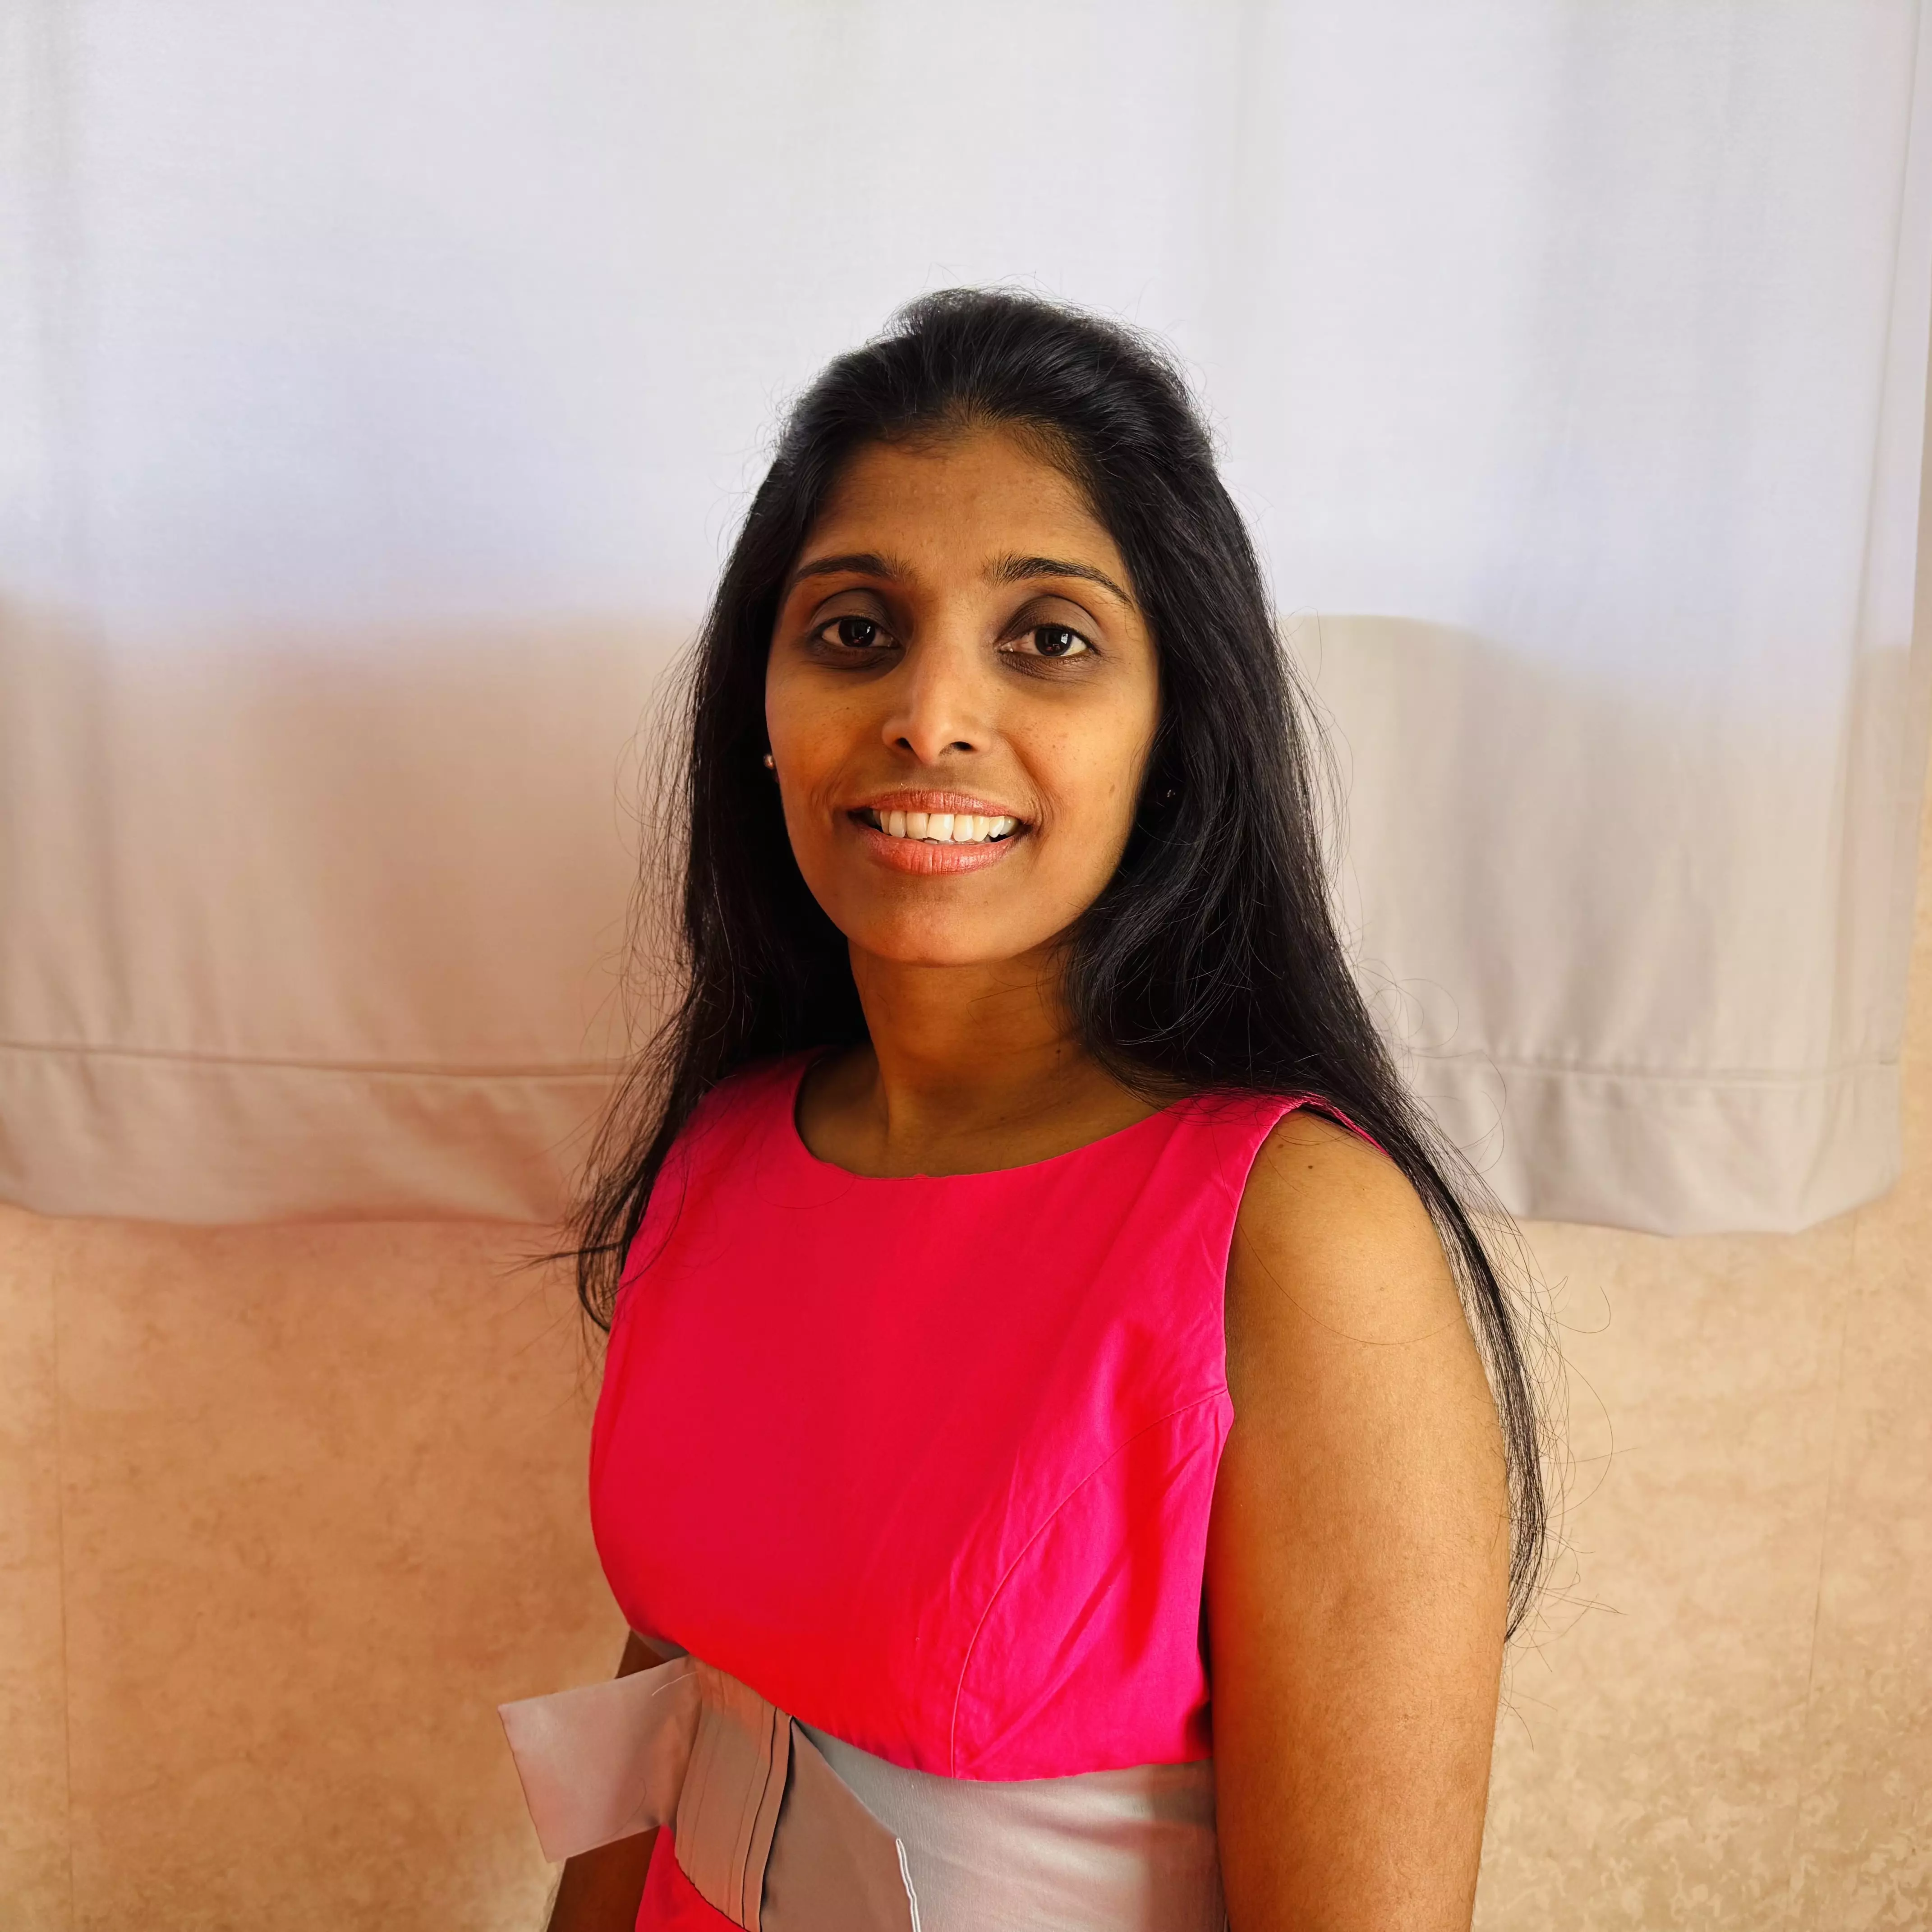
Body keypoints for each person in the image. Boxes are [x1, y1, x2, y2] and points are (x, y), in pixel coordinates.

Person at [526, 289, 1546, 1932]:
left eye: (1048, 637)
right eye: (854, 630)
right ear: (760, 714)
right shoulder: (720, 1150)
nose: (929, 714)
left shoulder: (1296, 1234)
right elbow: (673, 1720)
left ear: (1170, 730)